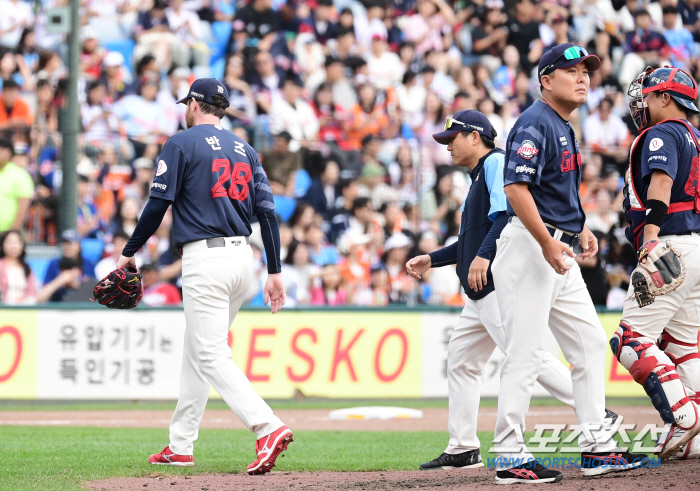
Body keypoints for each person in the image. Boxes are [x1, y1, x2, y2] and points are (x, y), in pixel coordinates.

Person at [116, 78, 292, 474]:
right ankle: (181, 444)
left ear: (195, 104)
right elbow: (267, 213)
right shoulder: (245, 149)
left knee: (210, 352)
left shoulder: (181, 143)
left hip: (205, 259)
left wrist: (129, 252)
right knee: (198, 352)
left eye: (186, 103)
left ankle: (268, 427)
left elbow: (158, 202)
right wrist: (275, 270)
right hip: (243, 260)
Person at [490, 44, 648, 483]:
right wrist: (546, 241)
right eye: (571, 71)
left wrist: (578, 228)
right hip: (531, 247)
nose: (583, 78)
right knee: (526, 353)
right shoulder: (535, 122)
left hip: (557, 248)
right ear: (546, 79)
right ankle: (508, 455)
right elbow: (515, 189)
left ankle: (596, 446)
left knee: (590, 344)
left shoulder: (561, 124)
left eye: (586, 71)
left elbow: (551, 190)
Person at [406, 109, 594, 471]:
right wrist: (433, 258)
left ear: (475, 137)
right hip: (477, 294)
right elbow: (469, 239)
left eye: (452, 138)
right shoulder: (478, 176)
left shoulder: (495, 162)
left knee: (526, 354)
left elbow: (508, 214)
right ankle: (462, 446)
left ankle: (596, 411)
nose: (447, 147)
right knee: (461, 362)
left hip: (494, 286)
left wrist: (483, 255)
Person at [613, 65, 700, 460]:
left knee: (630, 340)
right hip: (695, 248)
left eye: (648, 95)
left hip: (670, 246)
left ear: (666, 98)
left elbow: (661, 183)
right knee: (684, 346)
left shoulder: (663, 133)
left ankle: (684, 417)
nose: (643, 102)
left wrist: (650, 239)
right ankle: (695, 441)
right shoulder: (696, 136)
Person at [0, 137, 33, 233]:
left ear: (10, 153)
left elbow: (23, 207)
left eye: (2, 149)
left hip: (6, 232)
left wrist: (13, 232)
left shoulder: (20, 175)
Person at [0, 229, 36, 304]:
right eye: (9, 242)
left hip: (23, 309)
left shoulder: (27, 268)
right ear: (2, 245)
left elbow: (32, 293)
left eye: (16, 242)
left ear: (22, 245)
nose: (13, 246)